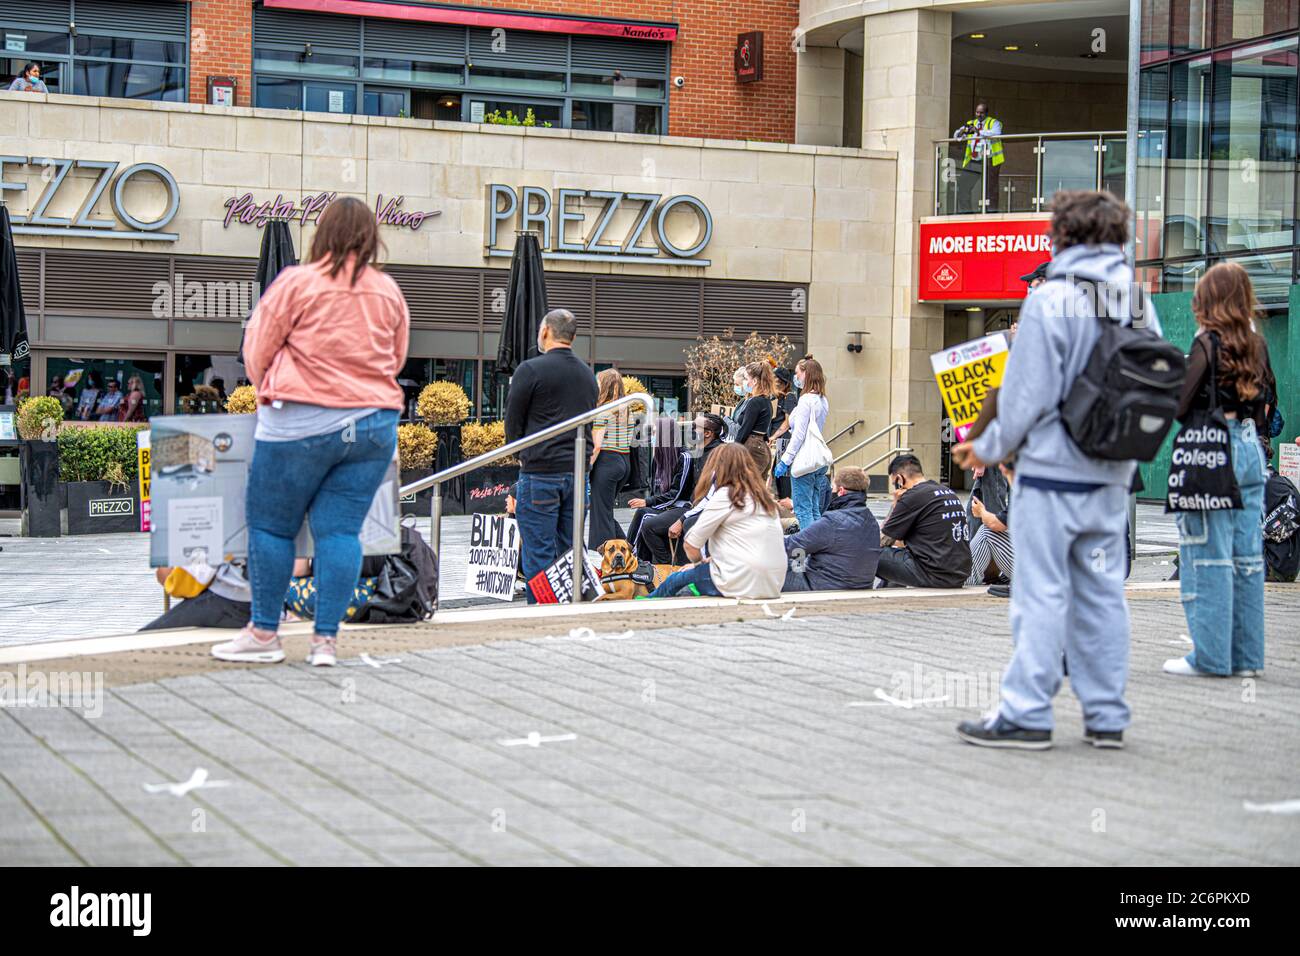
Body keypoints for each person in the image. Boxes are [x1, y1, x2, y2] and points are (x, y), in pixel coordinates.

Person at [951, 189, 1159, 750]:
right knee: (1100, 594)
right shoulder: (1135, 299)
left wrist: (986, 445)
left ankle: (1027, 713)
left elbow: (1024, 399)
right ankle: (1107, 715)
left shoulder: (1051, 300)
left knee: (1041, 591)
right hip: (1112, 476)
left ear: (1062, 236)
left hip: (1052, 474)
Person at [212, 196, 409, 667]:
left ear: (321, 233)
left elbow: (256, 347)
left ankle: (264, 634)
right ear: (371, 237)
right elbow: (397, 357)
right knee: (340, 533)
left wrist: (270, 390)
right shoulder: (387, 290)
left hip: (298, 422)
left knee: (271, 528)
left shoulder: (296, 282)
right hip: (373, 424)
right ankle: (324, 642)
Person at [1163, 262, 1273, 679]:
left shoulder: (1207, 342)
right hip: (1249, 449)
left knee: (1207, 553)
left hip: (1213, 450)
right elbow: (1266, 405)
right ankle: (1246, 659)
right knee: (1246, 557)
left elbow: (1182, 403)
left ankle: (1209, 657)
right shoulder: (1255, 343)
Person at [504, 308, 599, 601]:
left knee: (538, 552)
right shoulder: (587, 375)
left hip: (541, 472)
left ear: (545, 331)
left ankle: (542, 611)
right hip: (577, 474)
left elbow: (513, 425)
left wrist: (522, 453)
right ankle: (568, 606)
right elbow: (589, 425)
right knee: (570, 549)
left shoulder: (530, 370)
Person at [648, 443, 786, 599]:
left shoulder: (726, 495)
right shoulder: (765, 498)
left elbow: (691, 545)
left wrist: (699, 565)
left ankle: (646, 603)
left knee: (675, 580)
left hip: (742, 581)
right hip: (773, 583)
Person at [627, 412, 726, 563]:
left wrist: (681, 518)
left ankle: (665, 566)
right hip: (692, 507)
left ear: (707, 433)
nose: (690, 430)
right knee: (644, 515)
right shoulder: (698, 452)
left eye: (694, 427)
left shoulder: (717, 454)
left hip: (698, 508)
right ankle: (641, 565)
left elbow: (709, 496)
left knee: (647, 522)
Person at [876, 454, 970, 588]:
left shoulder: (912, 496)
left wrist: (895, 504)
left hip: (933, 574)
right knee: (900, 555)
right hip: (958, 574)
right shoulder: (947, 491)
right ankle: (887, 589)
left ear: (900, 479)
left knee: (869, 551)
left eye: (894, 484)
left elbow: (883, 540)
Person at [782, 466, 880, 592]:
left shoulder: (833, 521)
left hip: (821, 585)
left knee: (786, 562)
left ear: (841, 491)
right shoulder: (872, 521)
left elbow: (790, 546)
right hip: (860, 584)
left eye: (833, 488)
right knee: (799, 555)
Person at [774, 356, 829, 530]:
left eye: (797, 373)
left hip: (804, 461)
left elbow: (799, 435)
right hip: (817, 461)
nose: (795, 377)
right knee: (814, 508)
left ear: (806, 373)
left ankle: (809, 550)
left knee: (803, 510)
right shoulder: (821, 399)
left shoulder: (806, 400)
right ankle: (818, 547)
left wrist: (785, 460)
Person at [588, 368, 633, 550]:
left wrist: (586, 467)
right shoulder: (626, 410)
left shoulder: (603, 411)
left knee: (600, 514)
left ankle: (601, 556)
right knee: (605, 512)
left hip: (606, 462)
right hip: (624, 461)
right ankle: (629, 548)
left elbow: (597, 445)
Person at [140, 562, 251, 631]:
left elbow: (186, 584)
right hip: (266, 601)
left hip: (237, 601)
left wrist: (167, 573)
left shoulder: (219, 524)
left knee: (143, 641)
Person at [968, 462, 1015, 596]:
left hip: (1040, 572)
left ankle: (968, 581)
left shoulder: (1027, 492)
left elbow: (996, 525)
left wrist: (981, 512)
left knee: (987, 532)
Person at [954, 101, 1003, 212]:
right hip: (974, 159)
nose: (978, 115)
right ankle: (966, 212)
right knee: (963, 185)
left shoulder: (994, 122)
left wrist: (978, 132)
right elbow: (956, 134)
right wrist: (962, 132)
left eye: (981, 113)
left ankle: (992, 211)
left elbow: (997, 132)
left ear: (986, 113)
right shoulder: (971, 122)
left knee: (991, 188)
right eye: (977, 112)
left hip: (990, 159)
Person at [733, 361, 774, 477]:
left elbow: (745, 429)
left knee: (745, 487)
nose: (744, 382)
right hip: (760, 447)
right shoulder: (766, 401)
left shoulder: (755, 402)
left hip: (752, 447)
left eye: (746, 378)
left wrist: (733, 449)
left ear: (755, 381)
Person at [768, 367, 798, 501]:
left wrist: (773, 436)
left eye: (778, 382)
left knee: (783, 479)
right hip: (773, 441)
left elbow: (788, 422)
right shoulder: (773, 398)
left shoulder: (789, 397)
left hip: (783, 442)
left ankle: (786, 506)